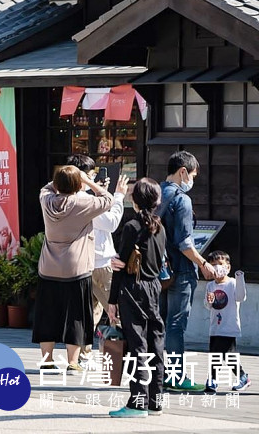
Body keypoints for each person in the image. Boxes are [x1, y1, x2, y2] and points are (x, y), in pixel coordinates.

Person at [33, 161, 113, 370]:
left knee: (47, 313)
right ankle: (72, 361)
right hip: (76, 268)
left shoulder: (46, 200)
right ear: (78, 185)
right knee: (76, 314)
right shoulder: (83, 204)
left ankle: (47, 360)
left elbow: (46, 187)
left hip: (48, 267)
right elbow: (108, 199)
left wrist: (65, 178)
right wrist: (88, 181)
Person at [106, 177, 167, 418]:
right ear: (157, 200)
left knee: (137, 346)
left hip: (132, 289)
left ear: (134, 200)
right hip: (154, 288)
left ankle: (137, 403)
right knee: (156, 344)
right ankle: (155, 401)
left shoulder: (131, 227)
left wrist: (112, 301)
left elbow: (120, 267)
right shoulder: (161, 227)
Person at [158, 151, 217, 392]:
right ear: (183, 171)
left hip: (157, 270)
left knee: (159, 324)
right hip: (180, 271)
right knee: (175, 325)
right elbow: (185, 243)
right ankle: (175, 376)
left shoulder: (156, 193)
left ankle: (156, 374)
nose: (192, 180)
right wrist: (204, 263)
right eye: (192, 174)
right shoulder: (182, 200)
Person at [74, 156, 127, 365]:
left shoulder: (70, 197)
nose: (94, 177)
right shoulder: (85, 199)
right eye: (91, 174)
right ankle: (126, 355)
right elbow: (111, 223)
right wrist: (119, 197)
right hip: (102, 264)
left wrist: (100, 192)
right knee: (117, 312)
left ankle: (83, 355)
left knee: (90, 313)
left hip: (83, 263)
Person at [203, 250, 249, 393]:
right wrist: (209, 301)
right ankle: (217, 378)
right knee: (216, 354)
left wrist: (240, 278)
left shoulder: (233, 283)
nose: (217, 267)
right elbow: (207, 305)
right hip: (215, 327)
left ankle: (239, 376)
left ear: (228, 267)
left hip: (229, 327)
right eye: (213, 265)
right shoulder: (210, 286)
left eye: (220, 264)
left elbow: (241, 297)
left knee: (227, 355)